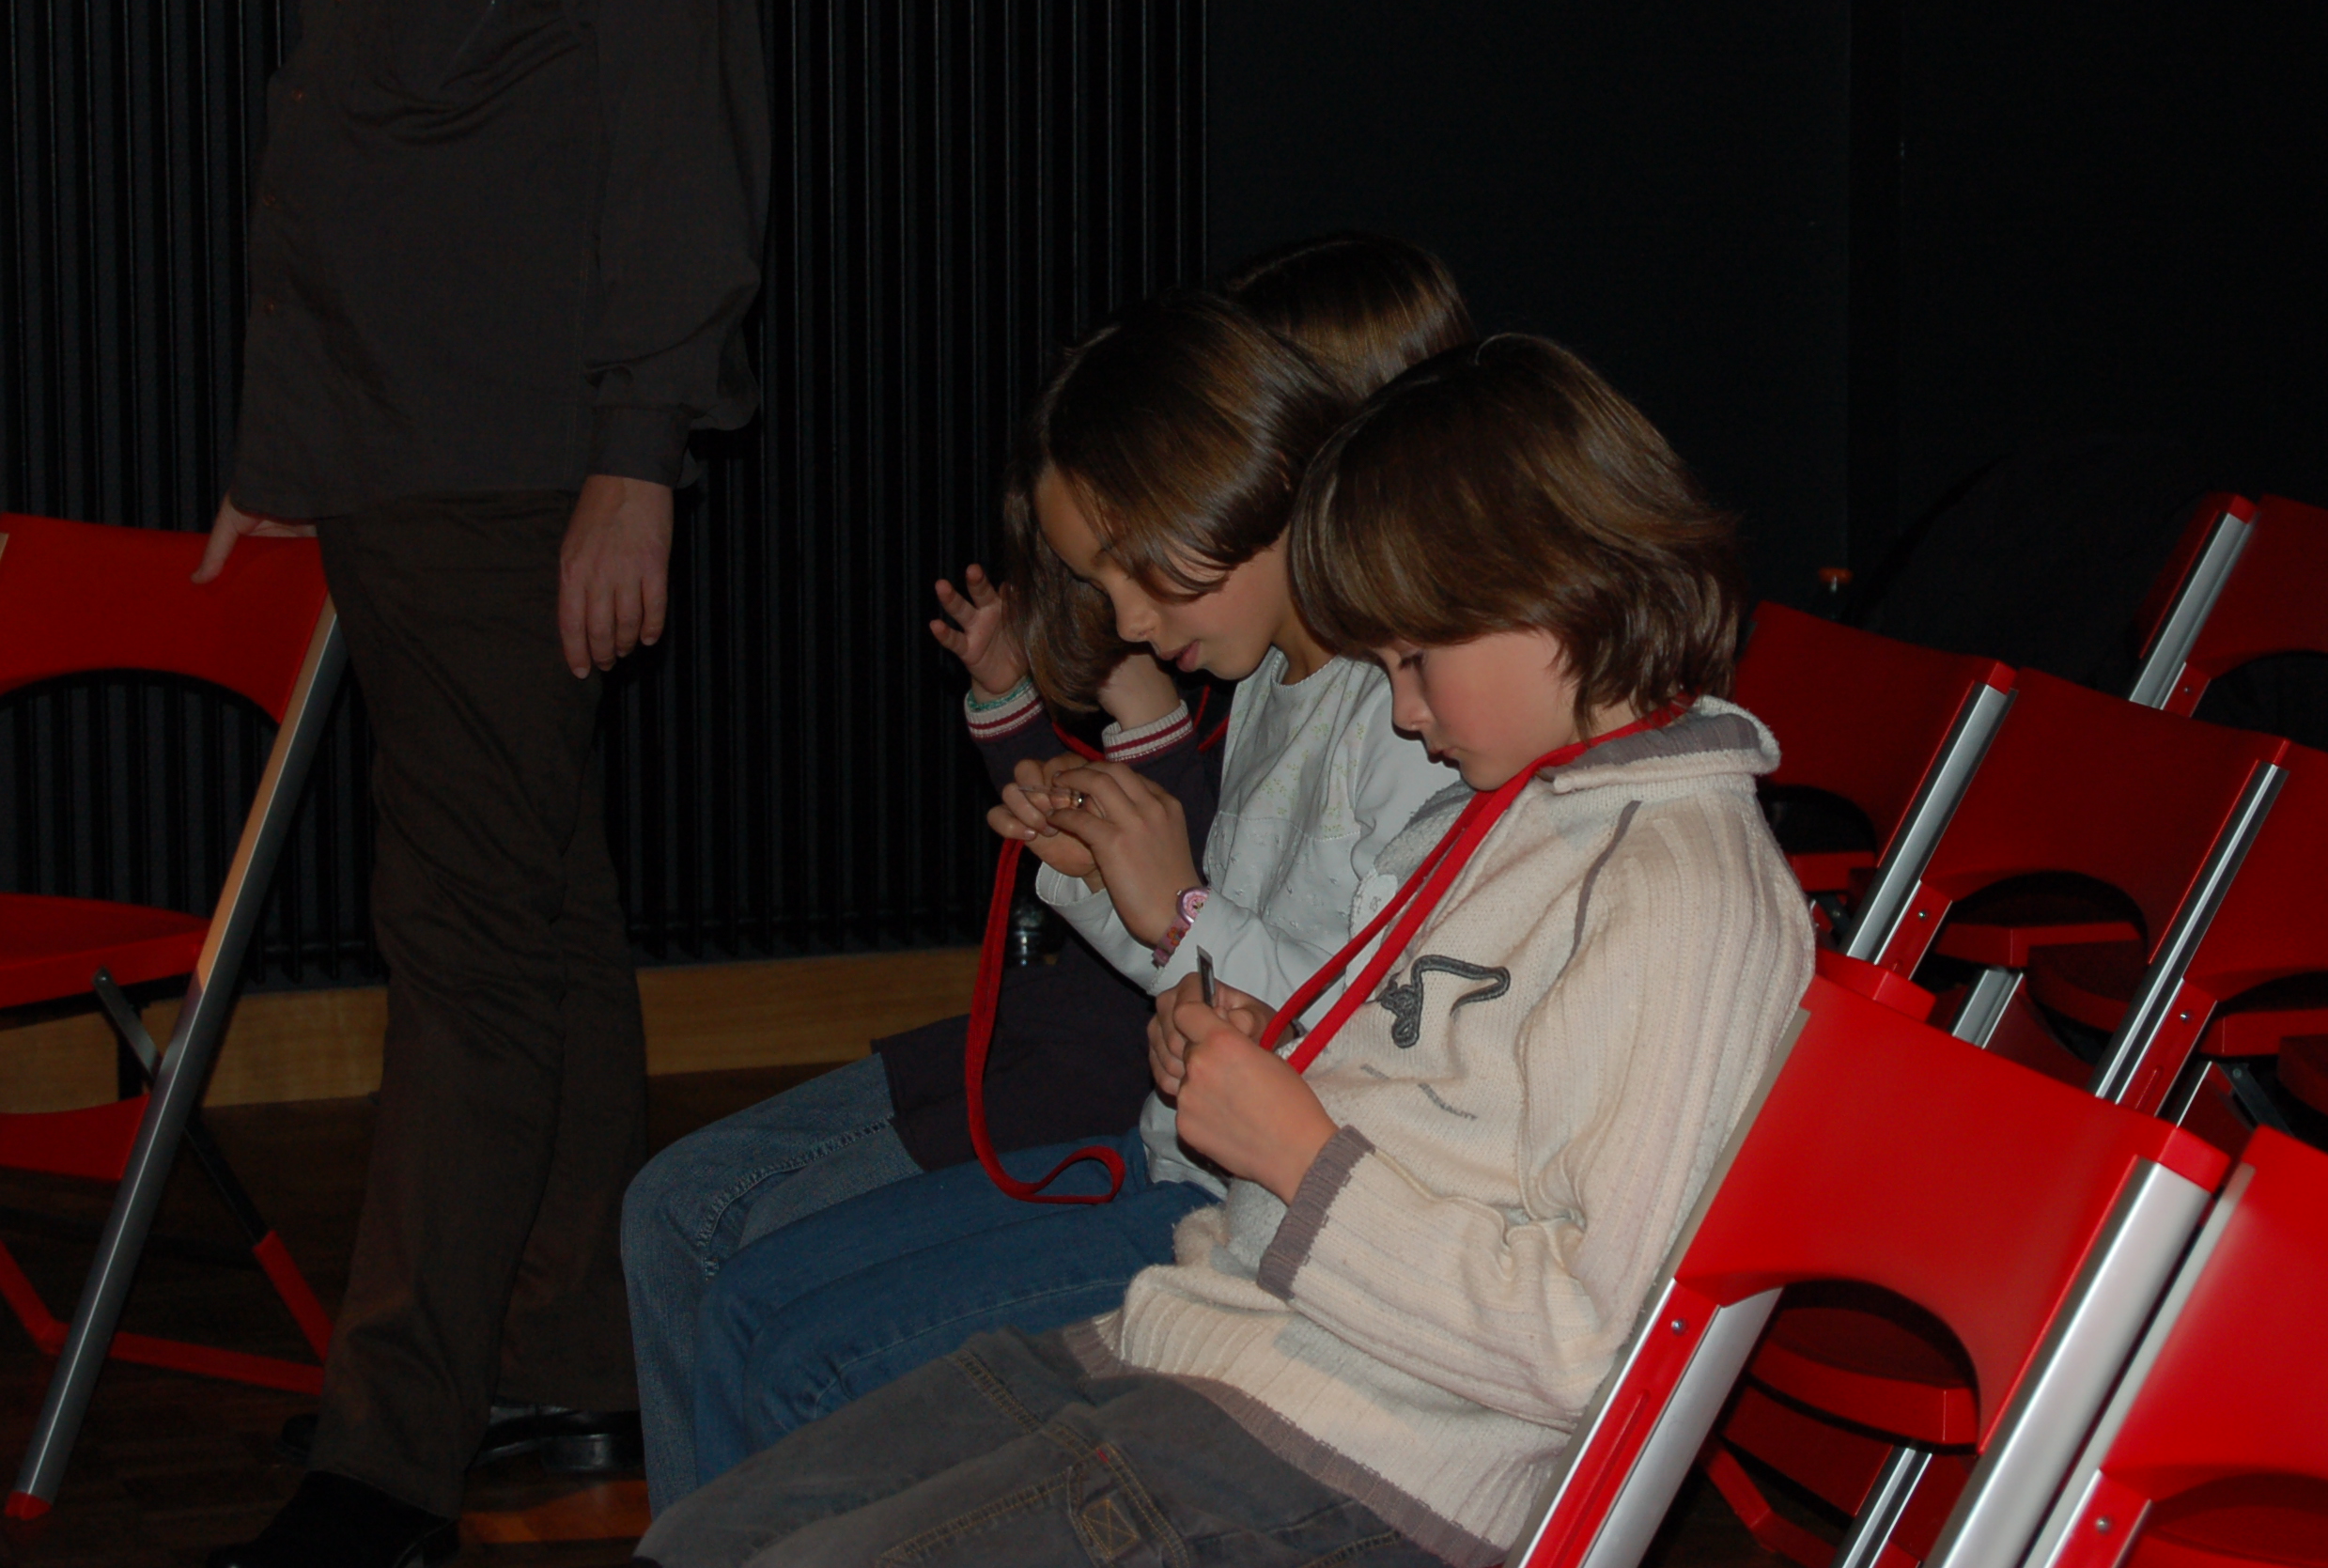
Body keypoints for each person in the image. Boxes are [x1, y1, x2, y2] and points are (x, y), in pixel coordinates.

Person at [638, 334, 1813, 1567]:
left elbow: (1590, 1350)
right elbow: (1422, 1103)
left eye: (1416, 659)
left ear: (1551, 591)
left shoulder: (1681, 893)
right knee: (708, 1539)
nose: (1404, 710)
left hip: (1352, 1463)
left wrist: (1300, 1155)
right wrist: (1262, 1048)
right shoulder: (1517, 811)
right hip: (1207, 1350)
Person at [191, 0, 767, 1565]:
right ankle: (570, 1357)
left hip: (512, 475)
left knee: (466, 945)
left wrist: (636, 459)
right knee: (537, 911)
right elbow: (359, 173)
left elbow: (685, 140)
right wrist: (291, 454)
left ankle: (390, 1460)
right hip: (400, 460)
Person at [632, 286, 1461, 1509]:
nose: (1124, 618)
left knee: (807, 1362)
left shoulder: (1403, 717)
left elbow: (1367, 1057)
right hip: (1174, 1168)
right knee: (751, 1302)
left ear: (1245, 483)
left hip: (1239, 1224)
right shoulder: (1278, 679)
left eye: (1136, 570)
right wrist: (1104, 888)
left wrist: (1178, 912)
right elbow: (1216, 977)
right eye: (1099, 579)